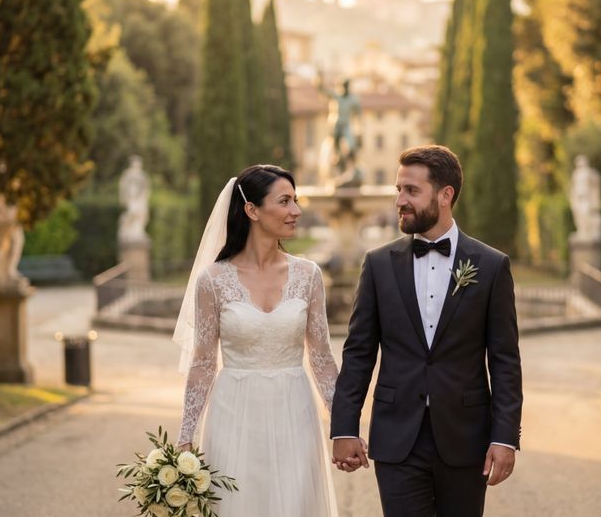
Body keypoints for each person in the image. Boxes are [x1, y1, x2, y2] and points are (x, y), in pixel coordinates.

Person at [330, 145, 523, 516]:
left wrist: (504, 437)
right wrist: (344, 427)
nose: (400, 200)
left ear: (445, 195)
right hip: (397, 439)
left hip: (466, 439)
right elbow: (358, 353)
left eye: (411, 191)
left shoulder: (492, 265)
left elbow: (505, 361)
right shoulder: (378, 264)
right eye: (398, 190)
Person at [173, 165, 340, 516]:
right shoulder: (213, 281)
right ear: (252, 210)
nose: (296, 211)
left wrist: (344, 426)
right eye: (285, 201)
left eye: (295, 200)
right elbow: (203, 364)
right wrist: (186, 434)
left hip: (294, 411)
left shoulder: (308, 275)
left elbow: (322, 359)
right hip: (233, 413)